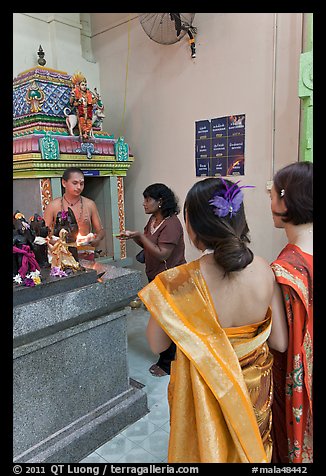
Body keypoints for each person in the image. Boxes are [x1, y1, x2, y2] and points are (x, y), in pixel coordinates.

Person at [138, 177, 288, 463]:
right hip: (252, 393)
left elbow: (157, 345)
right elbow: (279, 342)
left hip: (203, 395)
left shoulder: (177, 282)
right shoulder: (266, 270)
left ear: (193, 229)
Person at [269, 161, 313, 463]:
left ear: (286, 201)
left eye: (272, 193)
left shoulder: (284, 270)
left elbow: (281, 344)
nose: (269, 199)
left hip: (297, 381)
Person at [118, 183, 186, 377]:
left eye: (148, 199)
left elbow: (163, 254)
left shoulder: (172, 224)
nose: (144, 203)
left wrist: (140, 235)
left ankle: (168, 363)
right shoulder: (153, 220)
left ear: (160, 201)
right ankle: (167, 358)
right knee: (160, 319)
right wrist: (133, 237)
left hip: (170, 278)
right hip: (155, 276)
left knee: (168, 321)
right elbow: (149, 244)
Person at [43, 167, 105, 264]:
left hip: (85, 253)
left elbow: (101, 230)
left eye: (81, 183)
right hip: (62, 254)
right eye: (75, 183)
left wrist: (97, 239)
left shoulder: (90, 204)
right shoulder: (53, 206)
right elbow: (44, 234)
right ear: (64, 183)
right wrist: (57, 243)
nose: (79, 187)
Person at [69, 72, 97, 140]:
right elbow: (72, 103)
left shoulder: (89, 94)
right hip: (80, 110)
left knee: (89, 121)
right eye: (82, 85)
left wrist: (96, 98)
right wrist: (77, 101)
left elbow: (93, 102)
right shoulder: (76, 93)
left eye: (85, 85)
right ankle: (81, 134)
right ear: (79, 86)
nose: (84, 86)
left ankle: (87, 134)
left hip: (88, 110)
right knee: (81, 121)